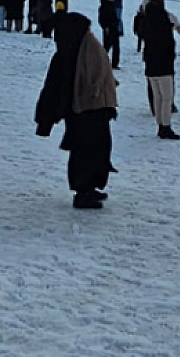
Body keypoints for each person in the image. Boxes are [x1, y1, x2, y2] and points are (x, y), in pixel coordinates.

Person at [34, 12, 119, 209]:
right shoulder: (76, 49)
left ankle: (89, 188)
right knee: (86, 152)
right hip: (85, 109)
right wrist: (46, 118)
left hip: (90, 109)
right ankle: (83, 191)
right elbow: (56, 87)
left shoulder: (79, 47)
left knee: (95, 150)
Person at [138, 0, 180, 139]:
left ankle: (160, 125)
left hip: (150, 64)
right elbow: (169, 45)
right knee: (166, 97)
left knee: (157, 96)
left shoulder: (145, 23)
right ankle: (165, 126)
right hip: (164, 65)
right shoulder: (164, 26)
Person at [97, 0, 123, 69]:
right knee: (106, 47)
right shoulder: (103, 6)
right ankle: (100, 62)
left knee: (116, 47)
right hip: (108, 29)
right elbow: (101, 19)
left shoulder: (112, 5)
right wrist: (105, 27)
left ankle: (114, 64)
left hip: (114, 28)